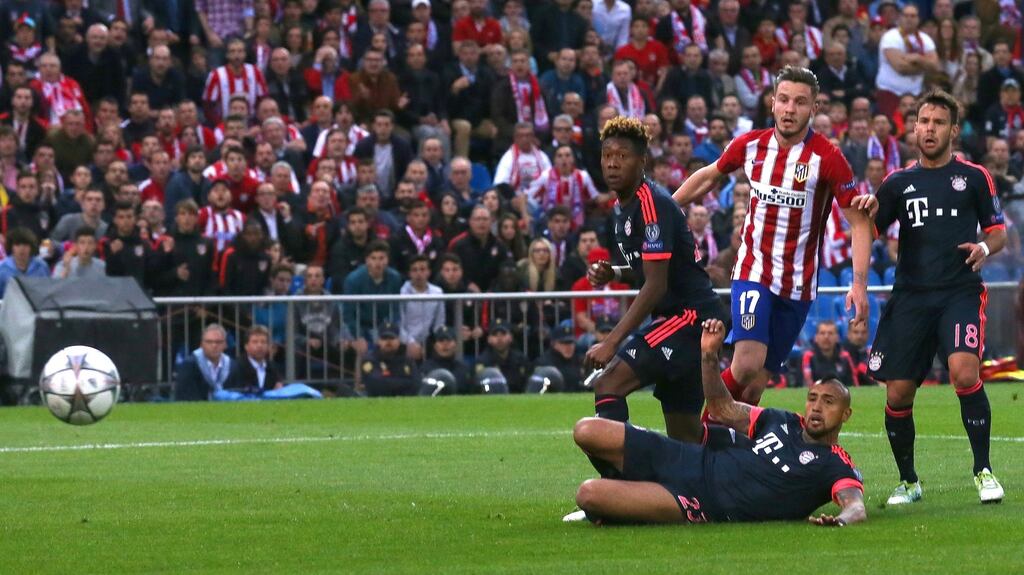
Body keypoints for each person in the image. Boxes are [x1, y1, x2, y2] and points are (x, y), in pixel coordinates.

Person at [672, 66, 876, 410]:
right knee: (747, 363)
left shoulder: (827, 158)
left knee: (754, 388)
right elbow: (709, 176)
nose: (789, 109)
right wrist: (664, 206)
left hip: (798, 284)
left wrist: (859, 284)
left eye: (799, 102)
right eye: (783, 100)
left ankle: (726, 448)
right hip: (754, 271)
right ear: (772, 103)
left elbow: (858, 223)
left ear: (814, 108)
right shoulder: (750, 145)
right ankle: (694, 423)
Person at [564, 318, 866, 527]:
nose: (816, 408)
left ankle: (623, 503)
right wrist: (709, 358)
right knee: (586, 429)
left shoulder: (835, 463)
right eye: (813, 398)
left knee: (588, 494)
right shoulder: (781, 420)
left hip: (703, 501)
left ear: (845, 414)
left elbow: (855, 505)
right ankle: (625, 496)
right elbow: (722, 409)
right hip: (688, 458)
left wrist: (841, 519)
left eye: (828, 402)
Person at [870, 90, 1007, 506]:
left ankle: (983, 470)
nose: (929, 129)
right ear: (914, 128)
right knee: (898, 394)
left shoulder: (974, 177)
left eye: (938, 122)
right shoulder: (897, 183)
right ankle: (908, 481)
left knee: (964, 373)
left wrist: (984, 249)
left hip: (958, 293)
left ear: (952, 130)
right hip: (910, 298)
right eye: (923, 121)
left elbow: (997, 231)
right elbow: (869, 229)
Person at [585, 116, 724, 442]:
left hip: (691, 317)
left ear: (641, 161)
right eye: (607, 156)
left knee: (608, 383)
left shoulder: (652, 203)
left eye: (623, 156)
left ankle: (621, 479)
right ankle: (738, 470)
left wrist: (611, 341)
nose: (613, 164)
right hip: (682, 319)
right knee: (685, 434)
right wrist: (615, 272)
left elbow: (657, 284)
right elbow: (650, 269)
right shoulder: (621, 209)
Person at [227, 326, 323, 400]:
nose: (259, 346)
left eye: (263, 342)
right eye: (255, 342)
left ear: (269, 346)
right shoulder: (237, 366)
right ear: (246, 346)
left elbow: (278, 389)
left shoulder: (272, 366)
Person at [174, 324, 241, 401]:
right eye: (209, 342)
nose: (214, 345)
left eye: (218, 342)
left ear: (225, 344)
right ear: (201, 344)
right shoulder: (189, 365)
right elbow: (184, 396)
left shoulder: (232, 365)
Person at [362, 321, 420, 397]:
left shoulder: (408, 361)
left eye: (392, 338)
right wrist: (405, 383)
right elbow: (376, 385)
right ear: (378, 341)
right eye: (384, 338)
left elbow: (416, 385)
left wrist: (389, 381)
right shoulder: (369, 361)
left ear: (399, 340)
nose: (388, 341)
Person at [474, 317, 530, 393]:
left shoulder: (521, 360)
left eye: (503, 334)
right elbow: (479, 388)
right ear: (489, 339)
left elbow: (527, 386)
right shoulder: (482, 362)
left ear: (511, 337)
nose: (499, 338)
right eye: (495, 335)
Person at [800, 320, 858, 388]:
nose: (826, 336)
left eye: (830, 333)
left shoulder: (845, 356)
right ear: (816, 338)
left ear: (837, 338)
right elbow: (807, 384)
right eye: (822, 333)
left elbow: (854, 385)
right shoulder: (808, 357)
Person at [420, 325, 474, 394]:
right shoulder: (426, 369)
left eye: (449, 340)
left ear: (456, 345)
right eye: (441, 340)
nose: (445, 344)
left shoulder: (464, 369)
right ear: (435, 346)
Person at [0, 226, 49, 296]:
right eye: (17, 244)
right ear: (11, 247)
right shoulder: (2, 268)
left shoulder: (42, 266)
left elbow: (47, 291)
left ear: (31, 247)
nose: (21, 248)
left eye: (25, 245)